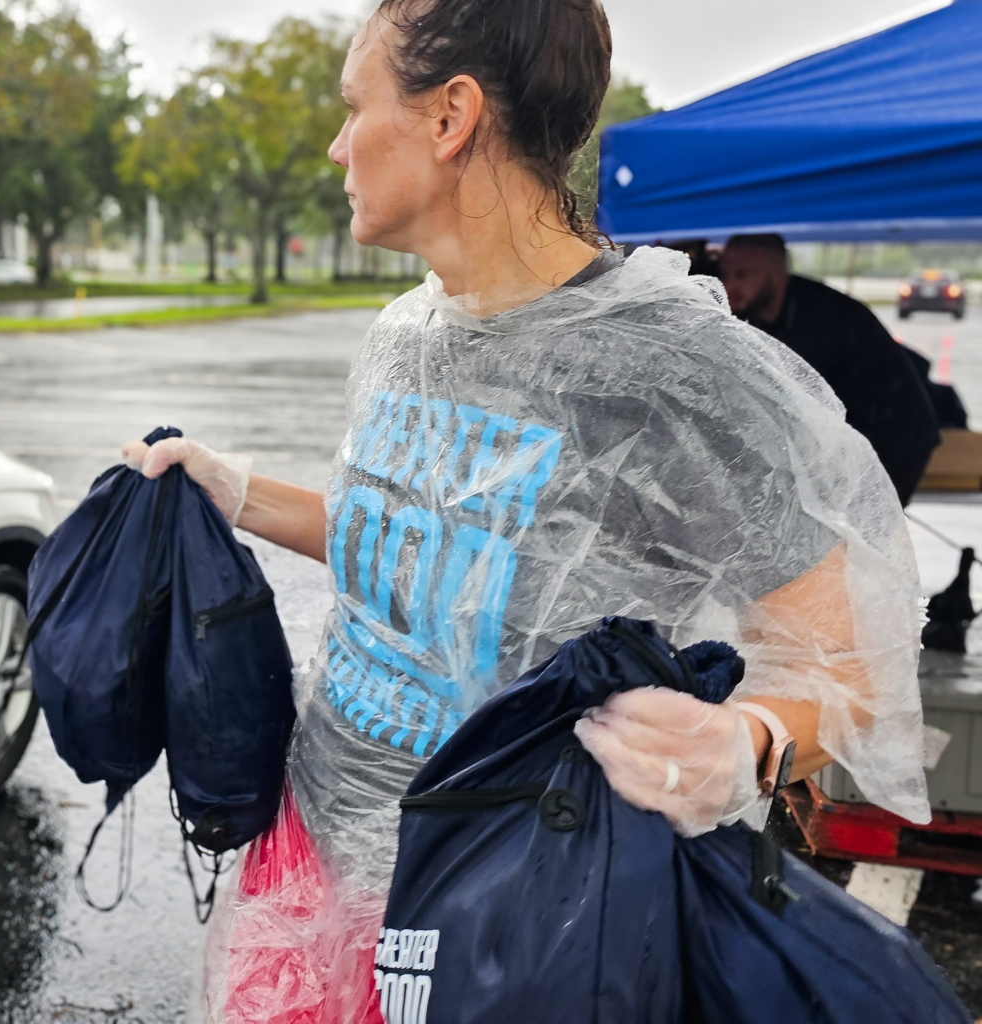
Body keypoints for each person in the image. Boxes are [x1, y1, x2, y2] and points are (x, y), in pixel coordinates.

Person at [123, 3, 929, 1018]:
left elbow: (847, 662)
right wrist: (233, 490)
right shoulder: (406, 333)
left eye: (352, 106)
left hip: (518, 914)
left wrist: (747, 742)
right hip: (312, 862)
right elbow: (426, 546)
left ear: (450, 115)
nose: (336, 144)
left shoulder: (674, 365)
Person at [719, 233, 941, 505]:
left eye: (742, 275)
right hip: (850, 437)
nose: (729, 285)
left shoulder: (819, 322)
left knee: (850, 533)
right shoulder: (760, 311)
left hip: (895, 438)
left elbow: (788, 410)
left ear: (776, 273)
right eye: (725, 274)